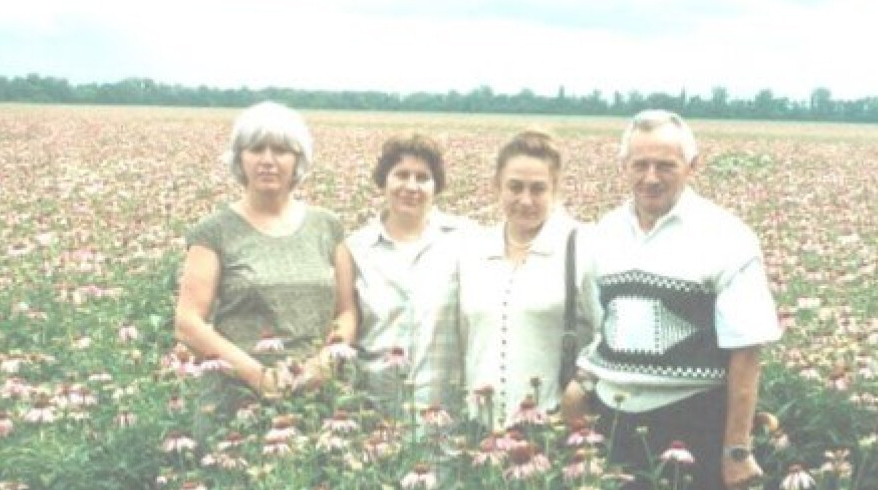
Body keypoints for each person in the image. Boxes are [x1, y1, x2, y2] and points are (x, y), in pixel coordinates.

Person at [566, 109, 782, 490]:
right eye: (640, 165)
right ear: (623, 167)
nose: (651, 177)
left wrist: (736, 449)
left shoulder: (727, 237)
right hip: (612, 424)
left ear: (691, 166)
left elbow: (747, 351)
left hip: (693, 423)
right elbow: (604, 327)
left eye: (665, 165)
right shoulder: (605, 234)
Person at [174, 101, 356, 404]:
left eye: (281, 151)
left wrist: (324, 364)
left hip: (321, 394)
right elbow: (188, 322)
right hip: (238, 397)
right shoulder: (214, 231)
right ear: (240, 158)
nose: (267, 161)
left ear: (298, 161)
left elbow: (347, 311)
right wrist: (257, 376)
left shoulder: (327, 226)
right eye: (256, 149)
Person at [459, 130, 591, 428]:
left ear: (555, 189)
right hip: (481, 426)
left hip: (553, 425)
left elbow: (608, 333)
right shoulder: (473, 250)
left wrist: (582, 385)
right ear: (497, 186)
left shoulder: (582, 246)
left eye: (538, 189)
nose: (526, 200)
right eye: (515, 187)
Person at [346, 134, 470, 414]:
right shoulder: (356, 249)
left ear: (436, 185)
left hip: (446, 411)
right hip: (374, 411)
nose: (411, 186)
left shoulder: (465, 240)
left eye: (423, 177)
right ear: (383, 180)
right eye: (401, 175)